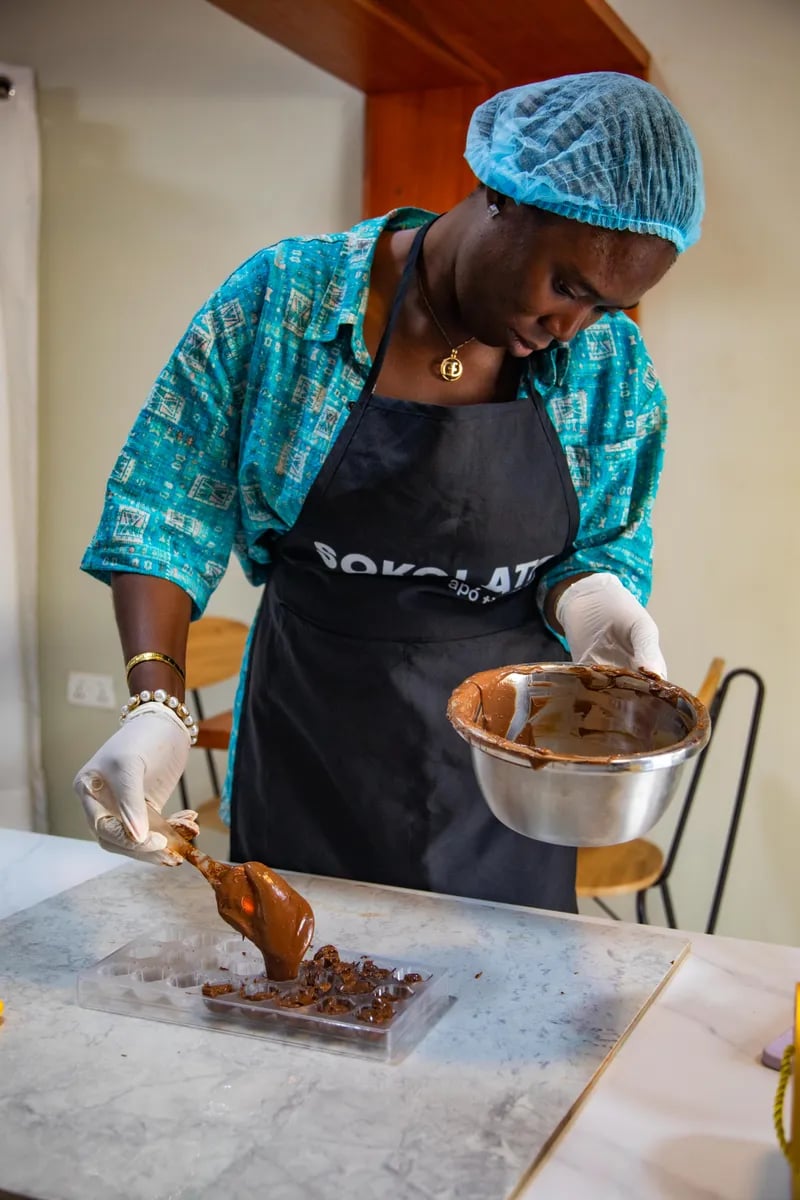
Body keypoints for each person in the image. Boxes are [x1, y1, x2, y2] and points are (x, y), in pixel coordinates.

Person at [74, 72, 704, 913]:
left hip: (506, 776)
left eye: (609, 308)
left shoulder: (608, 365)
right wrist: (157, 700)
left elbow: (607, 534)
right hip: (313, 739)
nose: (573, 329)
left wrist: (591, 592)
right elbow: (164, 507)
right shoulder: (285, 303)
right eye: (568, 287)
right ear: (502, 193)